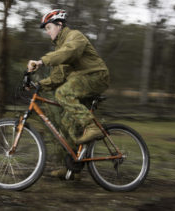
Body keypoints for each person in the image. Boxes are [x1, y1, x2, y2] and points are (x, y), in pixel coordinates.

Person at [27, 9, 110, 177]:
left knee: (63, 94)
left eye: (49, 28)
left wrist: (42, 62)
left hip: (96, 76)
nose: (47, 32)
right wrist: (37, 85)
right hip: (83, 80)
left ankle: (92, 127)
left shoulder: (74, 37)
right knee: (66, 121)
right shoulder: (60, 49)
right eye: (46, 30)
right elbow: (57, 78)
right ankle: (73, 167)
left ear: (59, 25)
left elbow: (69, 52)